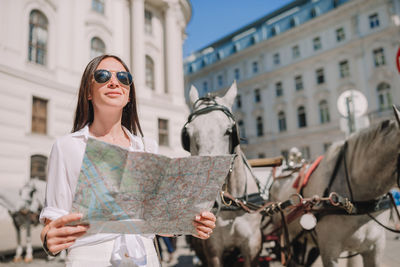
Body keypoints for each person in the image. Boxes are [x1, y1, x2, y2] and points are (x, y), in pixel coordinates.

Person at [39, 54, 216, 266]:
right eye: (103, 76)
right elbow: (53, 222)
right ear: (88, 91)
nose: (114, 82)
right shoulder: (67, 146)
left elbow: (158, 223)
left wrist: (192, 223)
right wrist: (48, 239)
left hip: (145, 257)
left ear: (129, 94)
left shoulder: (146, 147)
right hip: (90, 258)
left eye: (123, 77)